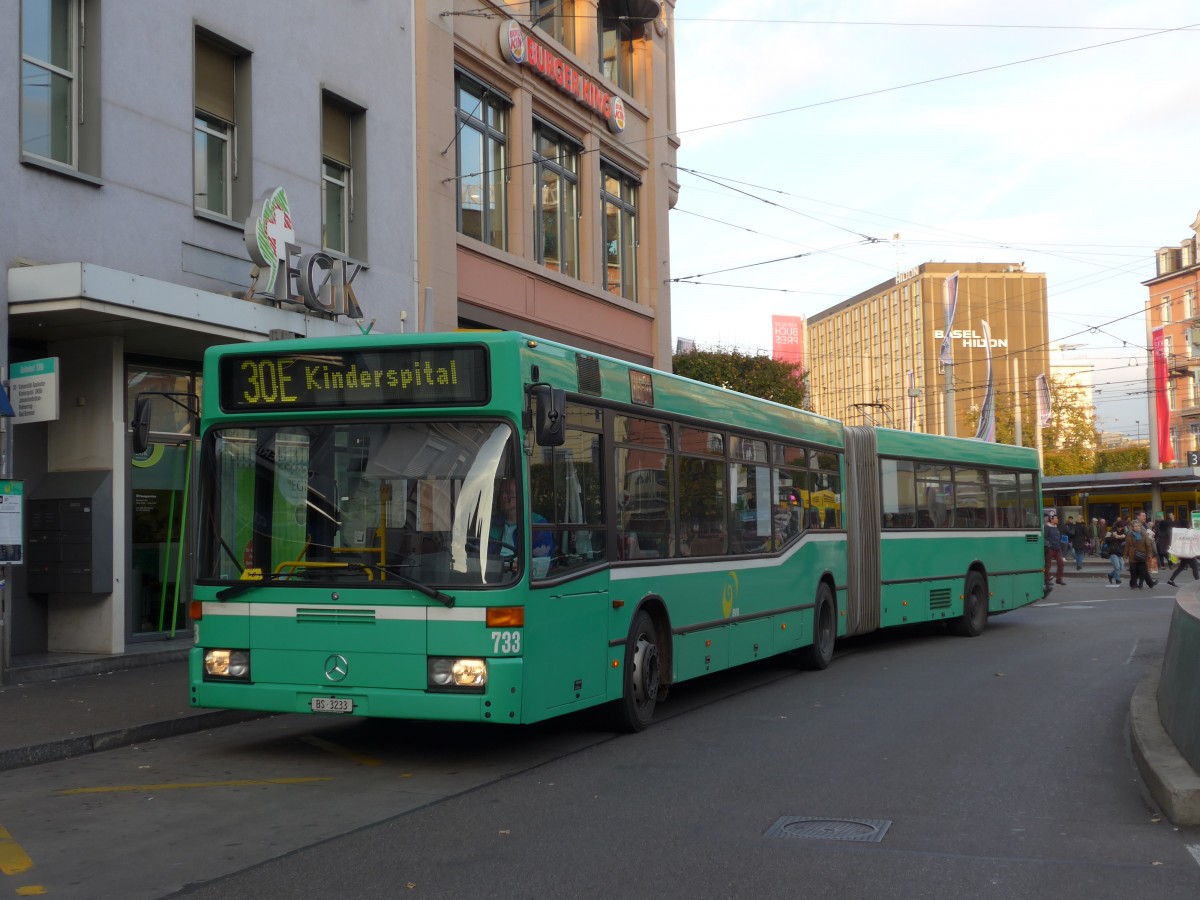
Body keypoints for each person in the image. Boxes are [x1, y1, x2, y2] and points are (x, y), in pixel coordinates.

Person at [1125, 515, 1157, 590]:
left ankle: (1142, 584)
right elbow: (1127, 546)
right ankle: (1134, 584)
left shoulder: (1144, 534)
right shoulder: (1129, 535)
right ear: (1132, 527)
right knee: (1133, 571)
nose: (1138, 528)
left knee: (1143, 571)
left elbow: (1148, 545)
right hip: (1133, 555)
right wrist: (1125, 556)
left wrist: (1149, 554)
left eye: (1138, 526)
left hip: (1142, 554)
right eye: (1136, 526)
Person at [1043, 512, 1065, 589]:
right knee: (1048, 565)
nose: (1057, 519)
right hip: (1050, 548)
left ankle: (1059, 579)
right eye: (1056, 518)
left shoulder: (1056, 527)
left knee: (1061, 563)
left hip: (1057, 548)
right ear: (1051, 519)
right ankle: (1047, 579)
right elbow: (1044, 538)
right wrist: (1048, 545)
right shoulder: (1047, 527)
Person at [1102, 521, 1125, 586]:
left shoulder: (1123, 531)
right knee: (1117, 567)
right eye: (1119, 527)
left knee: (1121, 567)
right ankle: (1117, 579)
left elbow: (1123, 540)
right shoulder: (1111, 531)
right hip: (1112, 551)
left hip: (1119, 551)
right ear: (1117, 526)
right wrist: (1115, 537)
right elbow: (1106, 539)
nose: (1120, 529)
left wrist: (1123, 537)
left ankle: (1111, 575)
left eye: (1121, 527)